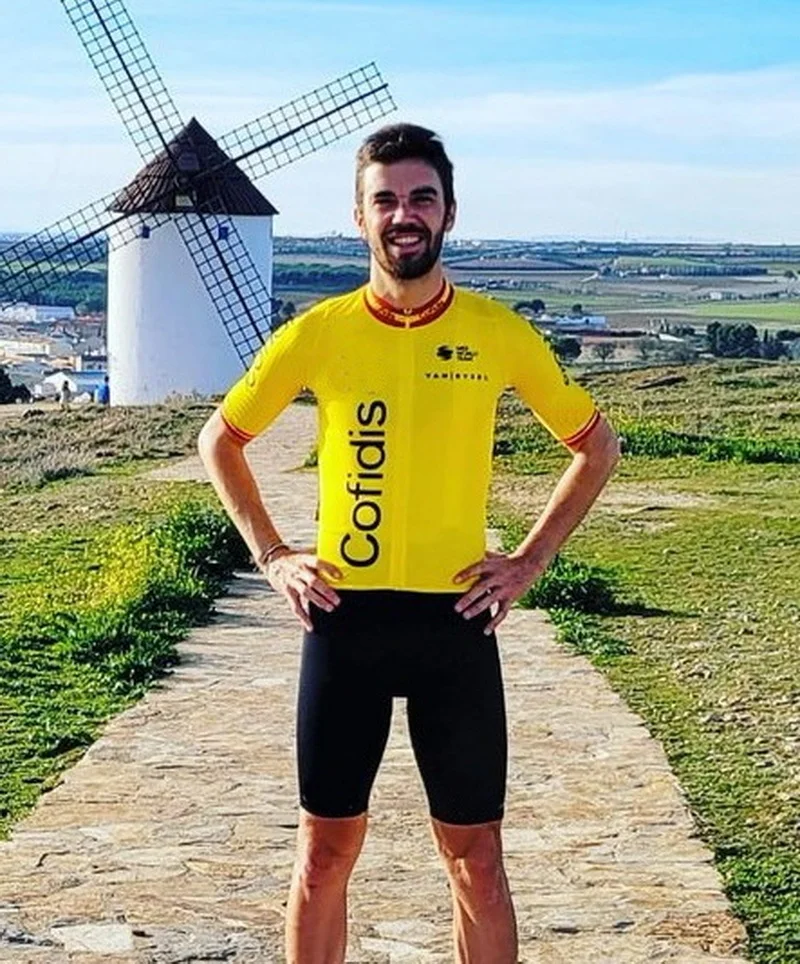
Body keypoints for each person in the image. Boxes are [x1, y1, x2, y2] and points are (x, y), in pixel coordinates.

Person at [198, 123, 621, 964]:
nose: (404, 215)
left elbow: (596, 446)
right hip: (345, 622)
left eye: (421, 198)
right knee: (323, 856)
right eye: (384, 200)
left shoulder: (497, 332)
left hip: (452, 625)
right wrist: (275, 555)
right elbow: (221, 439)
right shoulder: (318, 332)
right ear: (359, 218)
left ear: (449, 212)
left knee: (478, 864)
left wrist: (529, 561)